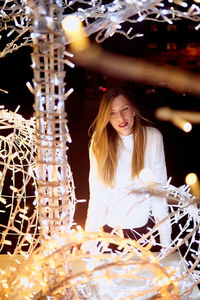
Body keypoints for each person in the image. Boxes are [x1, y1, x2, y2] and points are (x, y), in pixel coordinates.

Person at [85, 88, 171, 252]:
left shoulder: (152, 138)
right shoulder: (99, 143)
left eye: (124, 109)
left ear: (133, 110)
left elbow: (159, 193)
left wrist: (166, 244)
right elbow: (97, 196)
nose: (121, 118)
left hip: (145, 234)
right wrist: (89, 244)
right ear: (107, 118)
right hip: (109, 235)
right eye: (112, 113)